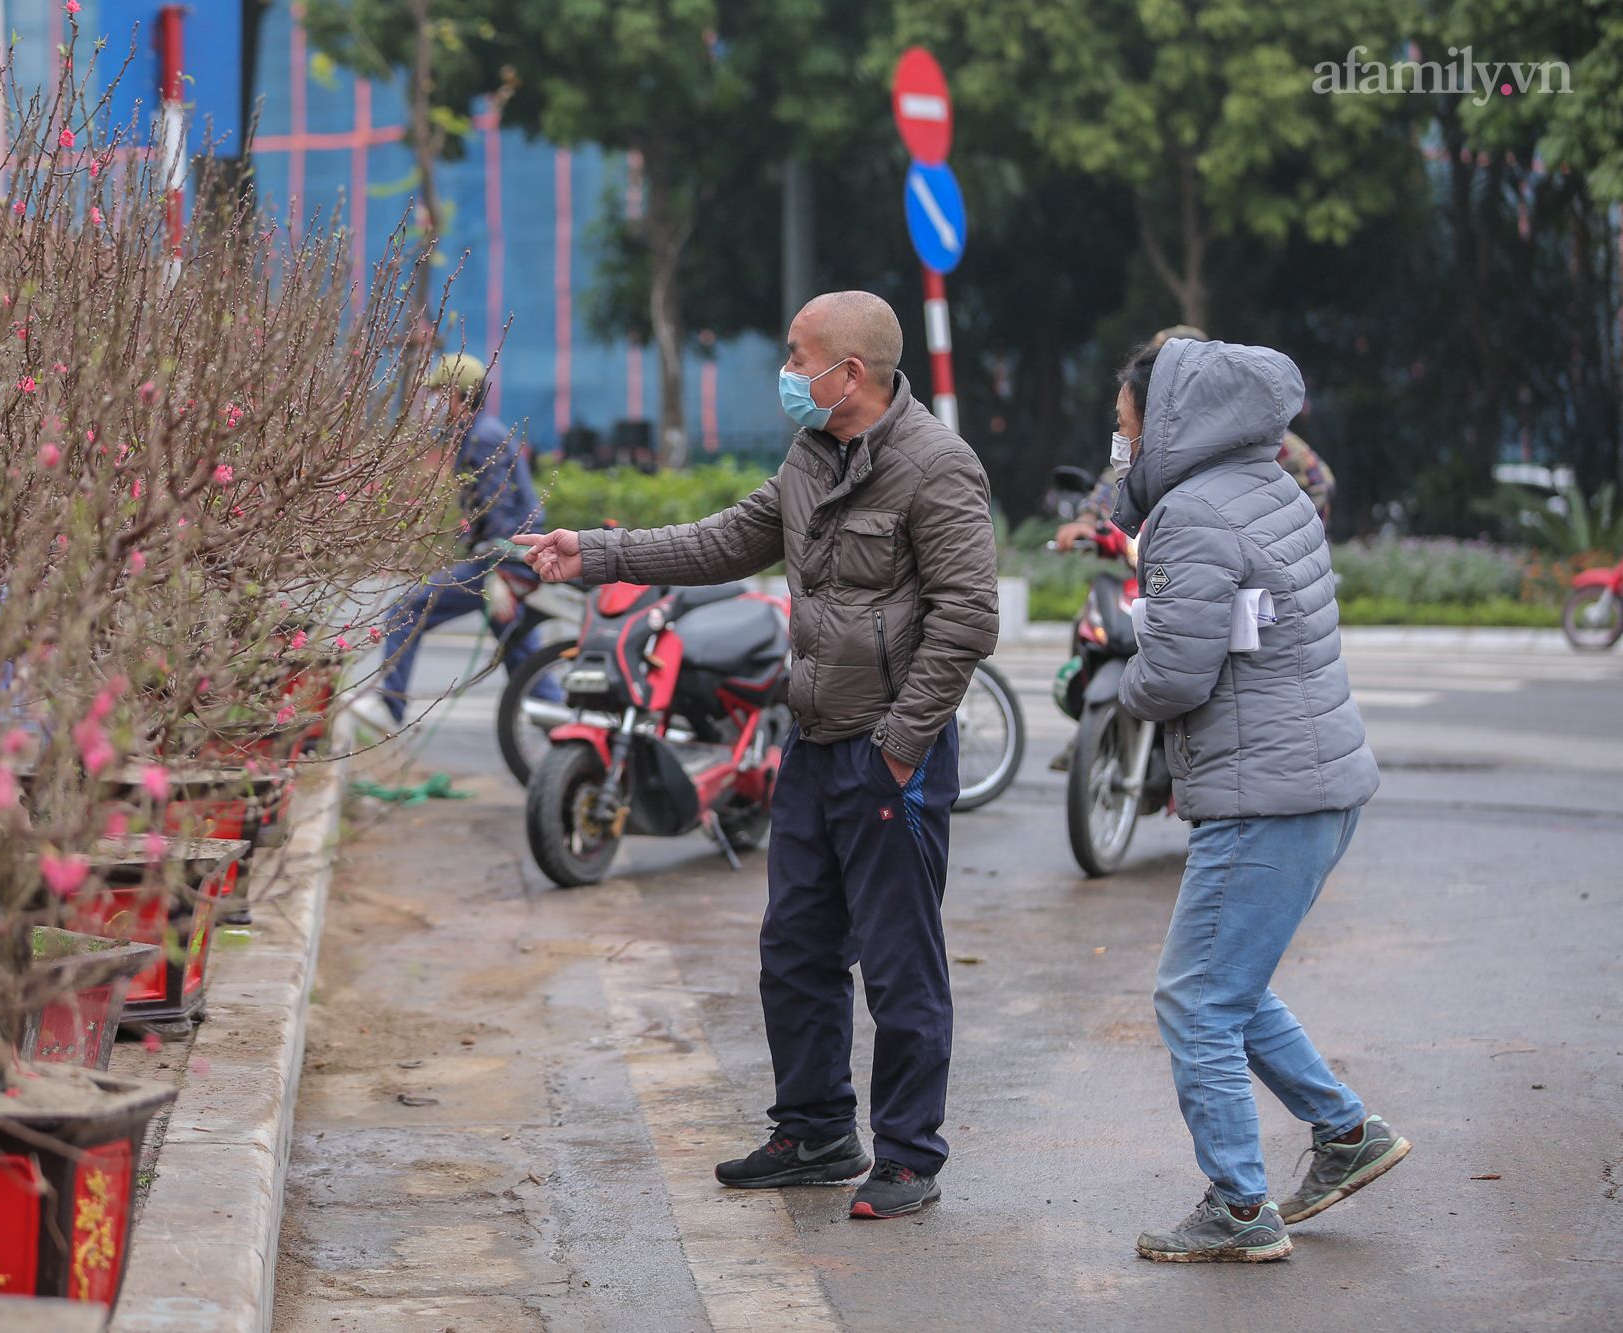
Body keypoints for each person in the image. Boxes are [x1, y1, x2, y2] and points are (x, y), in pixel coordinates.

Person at [516, 292, 998, 1220]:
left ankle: (907, 1154)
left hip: (890, 751)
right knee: (795, 948)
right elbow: (729, 538)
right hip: (812, 743)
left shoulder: (937, 466)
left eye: (796, 355)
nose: (786, 371)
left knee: (901, 963)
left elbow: (967, 619)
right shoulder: (812, 453)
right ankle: (815, 1129)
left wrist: (900, 746)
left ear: (847, 373)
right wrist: (599, 553)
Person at [1108, 335, 1405, 1263]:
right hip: (1314, 782)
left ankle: (1240, 1206)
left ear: (1169, 423)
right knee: (1229, 987)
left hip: (1265, 794)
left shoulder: (1193, 515)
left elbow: (1177, 675)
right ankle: (1344, 1133)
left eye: (1124, 427)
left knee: (1195, 999)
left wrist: (1126, 678)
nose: (1121, 444)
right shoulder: (1268, 484)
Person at [352, 354, 549, 733]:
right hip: (505, 560)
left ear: (461, 395)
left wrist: (500, 571)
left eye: (439, 393)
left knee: (404, 612)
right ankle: (567, 736)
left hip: (502, 563)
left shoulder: (481, 437)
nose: (432, 402)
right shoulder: (478, 433)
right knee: (523, 659)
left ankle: (390, 708)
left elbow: (502, 510)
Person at [1052, 324, 1335, 554]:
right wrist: (1089, 518)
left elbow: (1317, 479)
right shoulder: (1158, 433)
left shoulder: (1249, 431)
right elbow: (1123, 476)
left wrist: (1286, 541)